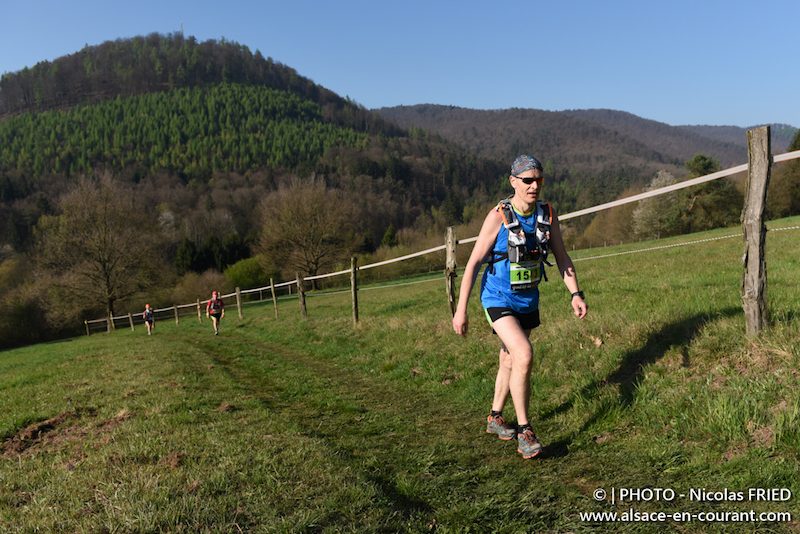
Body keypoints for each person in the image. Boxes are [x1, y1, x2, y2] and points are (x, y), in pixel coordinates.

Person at [452, 155, 588, 459]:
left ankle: (495, 418)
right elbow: (473, 263)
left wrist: (575, 293)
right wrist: (461, 310)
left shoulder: (548, 214)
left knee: (510, 360)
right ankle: (526, 431)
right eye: (528, 180)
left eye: (539, 179)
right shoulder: (498, 216)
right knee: (524, 354)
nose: (534, 185)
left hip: (528, 299)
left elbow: (562, 257)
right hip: (497, 298)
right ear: (513, 181)